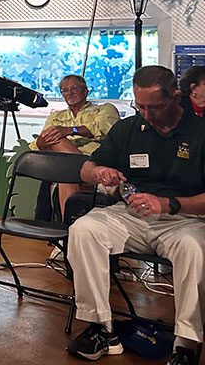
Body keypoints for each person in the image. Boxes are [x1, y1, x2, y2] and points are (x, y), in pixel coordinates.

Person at [66, 66, 205, 364]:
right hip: (131, 215)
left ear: (175, 97)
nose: (145, 113)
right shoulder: (128, 129)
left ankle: (186, 344)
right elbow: (85, 169)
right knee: (84, 229)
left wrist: (168, 204)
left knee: (195, 249)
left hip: (185, 220)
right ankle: (101, 328)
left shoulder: (200, 132)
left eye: (153, 107)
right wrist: (99, 172)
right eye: (139, 105)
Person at [30, 74, 120, 218]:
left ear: (85, 91)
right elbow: (37, 146)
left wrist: (70, 130)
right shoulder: (56, 116)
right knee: (62, 162)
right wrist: (42, 140)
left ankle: (66, 233)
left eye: (74, 88)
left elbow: (105, 129)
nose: (69, 93)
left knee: (63, 167)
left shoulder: (104, 109)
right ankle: (70, 228)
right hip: (68, 166)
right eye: (65, 90)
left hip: (95, 160)